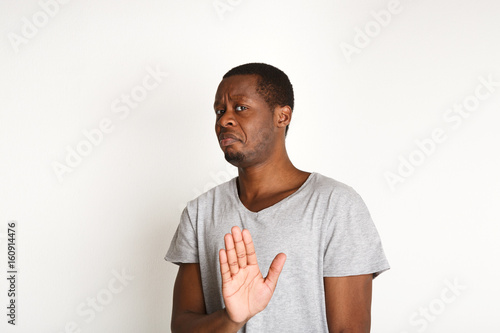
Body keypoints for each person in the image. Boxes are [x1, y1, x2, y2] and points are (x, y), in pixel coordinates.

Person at [165, 63, 390, 333]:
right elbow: (182, 327)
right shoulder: (200, 212)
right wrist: (231, 318)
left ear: (282, 116)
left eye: (240, 108)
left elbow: (349, 330)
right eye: (219, 111)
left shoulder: (336, 205)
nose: (224, 120)